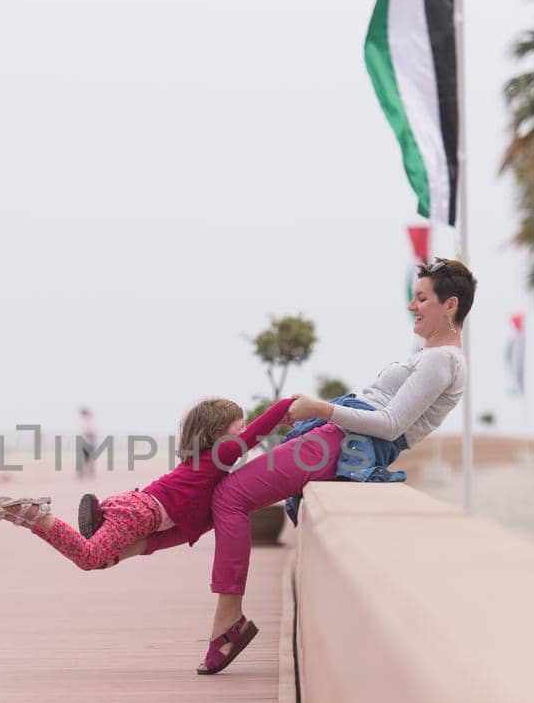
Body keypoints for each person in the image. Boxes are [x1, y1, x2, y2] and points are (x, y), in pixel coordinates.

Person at [197, 258, 476, 670]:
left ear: (450, 305)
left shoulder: (443, 361)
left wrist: (320, 409)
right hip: (334, 441)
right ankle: (141, 534)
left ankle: (227, 620)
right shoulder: (433, 356)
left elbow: (390, 423)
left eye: (421, 299)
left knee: (230, 494)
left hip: (341, 445)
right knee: (222, 492)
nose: (412, 306)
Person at [0, 396, 294, 673]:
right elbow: (258, 432)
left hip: (139, 511)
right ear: (218, 433)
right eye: (238, 428)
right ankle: (38, 515)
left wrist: (128, 553)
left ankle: (29, 517)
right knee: (89, 557)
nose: (242, 434)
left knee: (97, 560)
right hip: (139, 512)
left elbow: (172, 534)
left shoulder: (204, 470)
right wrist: (287, 406)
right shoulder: (218, 456)